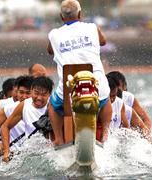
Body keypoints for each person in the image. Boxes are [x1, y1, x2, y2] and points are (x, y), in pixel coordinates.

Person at [46, 0, 112, 145]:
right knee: (106, 99)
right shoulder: (92, 28)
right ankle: (105, 136)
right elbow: (104, 41)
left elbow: (49, 50)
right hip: (95, 88)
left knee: (52, 105)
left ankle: (59, 139)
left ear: (61, 16)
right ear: (80, 14)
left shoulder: (54, 34)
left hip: (68, 93)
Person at [0, 76, 54, 162]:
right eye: (36, 93)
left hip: (51, 153)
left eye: (44, 94)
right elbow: (5, 127)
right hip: (30, 155)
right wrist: (7, 151)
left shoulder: (54, 105)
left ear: (50, 94)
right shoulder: (24, 105)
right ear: (31, 91)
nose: (39, 98)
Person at [0, 76, 34, 153]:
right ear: (16, 92)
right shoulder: (8, 108)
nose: (24, 97)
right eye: (21, 92)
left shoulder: (45, 107)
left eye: (28, 93)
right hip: (15, 153)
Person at [106, 73, 152, 143]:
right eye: (110, 96)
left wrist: (147, 141)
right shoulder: (102, 99)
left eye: (114, 96)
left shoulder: (127, 103)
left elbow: (146, 121)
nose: (112, 99)